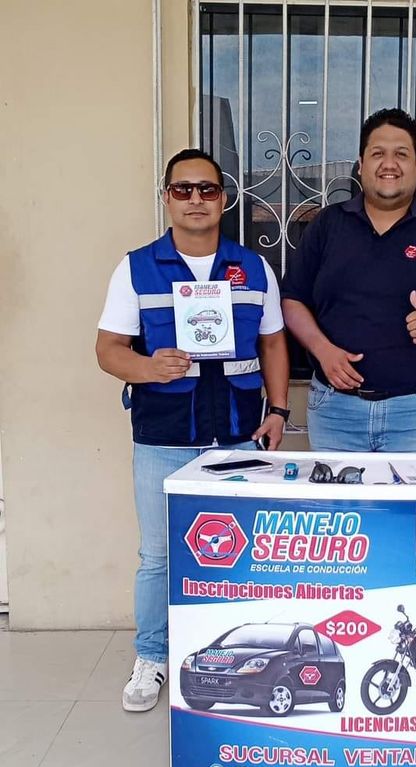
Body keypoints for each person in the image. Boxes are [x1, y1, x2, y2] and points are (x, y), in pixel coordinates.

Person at [96, 148, 290, 712]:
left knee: (240, 555)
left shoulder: (253, 268)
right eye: (183, 189)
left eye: (207, 189)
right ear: (167, 198)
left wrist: (278, 410)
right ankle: (152, 657)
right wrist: (147, 367)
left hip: (237, 435)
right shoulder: (136, 267)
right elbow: (108, 350)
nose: (196, 199)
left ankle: (232, 656)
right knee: (159, 556)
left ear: (224, 199)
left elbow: (274, 342)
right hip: (163, 436)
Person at [281, 107, 416, 452]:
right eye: (378, 153)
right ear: (361, 164)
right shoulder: (328, 224)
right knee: (338, 493)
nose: (389, 164)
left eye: (401, 154)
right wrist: (322, 349)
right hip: (336, 413)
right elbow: (292, 300)